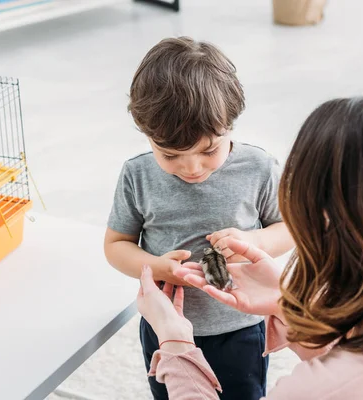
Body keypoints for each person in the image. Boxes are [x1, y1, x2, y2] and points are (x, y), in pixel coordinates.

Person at [136, 96, 363, 399]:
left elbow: (351, 376)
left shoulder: (322, 390)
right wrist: (293, 307)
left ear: (320, 221)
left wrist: (175, 344)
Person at [104, 36, 295, 400]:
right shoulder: (137, 175)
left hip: (240, 326)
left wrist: (256, 242)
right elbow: (116, 246)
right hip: (167, 328)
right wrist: (158, 268)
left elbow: (290, 228)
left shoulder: (258, 168)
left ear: (231, 125)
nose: (192, 167)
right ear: (147, 137)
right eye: (170, 155)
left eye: (209, 150)